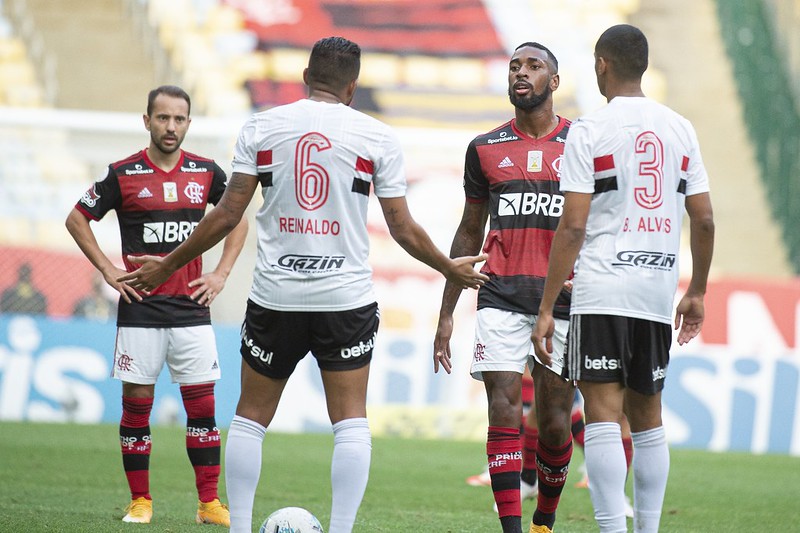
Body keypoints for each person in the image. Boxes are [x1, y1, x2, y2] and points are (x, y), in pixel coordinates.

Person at [116, 37, 488, 533]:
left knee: (251, 417)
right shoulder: (376, 136)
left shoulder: (262, 126)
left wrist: (165, 266)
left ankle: (243, 527)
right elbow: (403, 228)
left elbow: (228, 214)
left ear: (306, 76)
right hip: (345, 298)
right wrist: (448, 267)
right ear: (352, 87)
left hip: (277, 295)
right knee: (350, 421)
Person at [532, 24, 714, 533]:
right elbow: (704, 220)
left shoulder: (589, 130)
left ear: (601, 66)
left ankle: (613, 529)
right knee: (649, 417)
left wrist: (547, 307)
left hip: (603, 289)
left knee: (603, 413)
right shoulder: (681, 128)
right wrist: (696, 290)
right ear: (645, 66)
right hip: (656, 292)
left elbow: (572, 226)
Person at [65, 85, 248, 526]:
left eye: (179, 119)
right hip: (141, 313)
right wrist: (109, 271)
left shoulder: (205, 172)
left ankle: (209, 504)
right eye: (163, 118)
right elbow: (77, 218)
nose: (171, 127)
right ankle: (140, 501)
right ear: (146, 121)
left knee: (203, 409)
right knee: (137, 407)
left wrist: (221, 273)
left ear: (188, 123)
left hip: (191, 312)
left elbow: (237, 217)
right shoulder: (123, 173)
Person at [433, 42, 577, 533]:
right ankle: (513, 530)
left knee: (556, 423)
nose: (522, 72)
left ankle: (544, 521)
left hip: (564, 302)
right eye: (515, 65)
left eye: (535, 66)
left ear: (553, 82)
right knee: (504, 410)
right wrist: (447, 309)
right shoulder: (484, 147)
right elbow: (469, 228)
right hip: (499, 295)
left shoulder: (582, 144)